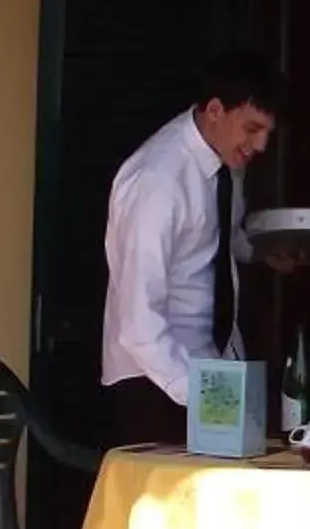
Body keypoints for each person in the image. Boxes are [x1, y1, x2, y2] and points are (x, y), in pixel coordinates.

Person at [100, 50, 299, 450]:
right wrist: (205, 400)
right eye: (252, 129)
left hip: (212, 366)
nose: (260, 146)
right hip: (158, 378)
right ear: (214, 111)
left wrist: (263, 251)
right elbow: (138, 322)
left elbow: (215, 242)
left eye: (267, 134)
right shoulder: (159, 181)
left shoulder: (225, 159)